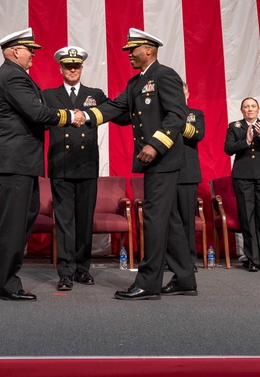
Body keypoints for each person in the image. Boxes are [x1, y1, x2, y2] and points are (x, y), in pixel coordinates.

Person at [81, 28, 197, 300]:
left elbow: (177, 116)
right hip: (153, 163)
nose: (129, 54)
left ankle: (148, 283)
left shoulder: (165, 75)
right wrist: (80, 116)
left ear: (149, 49)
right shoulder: (136, 83)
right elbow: (116, 109)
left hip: (164, 159)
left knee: (155, 219)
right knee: (169, 219)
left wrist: (154, 144)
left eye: (133, 49)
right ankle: (185, 278)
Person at [0, 28, 79, 301]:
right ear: (14, 51)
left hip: (20, 159)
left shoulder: (15, 75)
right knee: (14, 221)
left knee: (28, 212)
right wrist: (71, 116)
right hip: (14, 159)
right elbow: (36, 112)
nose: (33, 53)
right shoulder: (12, 76)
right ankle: (6, 284)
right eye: (28, 49)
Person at [42, 46, 107, 292]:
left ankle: (83, 269)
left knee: (84, 221)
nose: (72, 69)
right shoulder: (48, 95)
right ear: (60, 68)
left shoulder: (95, 94)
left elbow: (116, 112)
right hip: (61, 166)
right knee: (65, 221)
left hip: (87, 166)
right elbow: (32, 114)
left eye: (76, 65)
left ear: (82, 68)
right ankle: (66, 272)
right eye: (68, 66)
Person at [224, 97, 260, 273]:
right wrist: (246, 142)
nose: (250, 109)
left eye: (253, 106)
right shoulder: (235, 127)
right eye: (246, 107)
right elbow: (228, 149)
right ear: (242, 110)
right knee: (247, 218)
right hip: (243, 176)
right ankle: (252, 259)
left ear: (258, 109)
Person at [173, 84, 204, 268]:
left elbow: (198, 135)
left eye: (181, 91)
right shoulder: (163, 114)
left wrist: (177, 122)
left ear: (187, 92)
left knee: (186, 219)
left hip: (187, 173)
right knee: (169, 220)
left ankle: (188, 260)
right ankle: (171, 259)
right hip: (166, 172)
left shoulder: (195, 114)